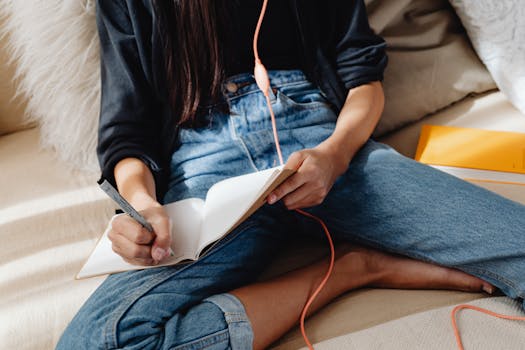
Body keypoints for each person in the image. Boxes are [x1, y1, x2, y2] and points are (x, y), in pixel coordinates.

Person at [57, 1, 525, 349]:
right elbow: (127, 132)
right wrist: (143, 205)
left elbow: (364, 80)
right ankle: (350, 270)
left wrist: (335, 156)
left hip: (323, 146)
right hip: (205, 171)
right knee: (95, 342)